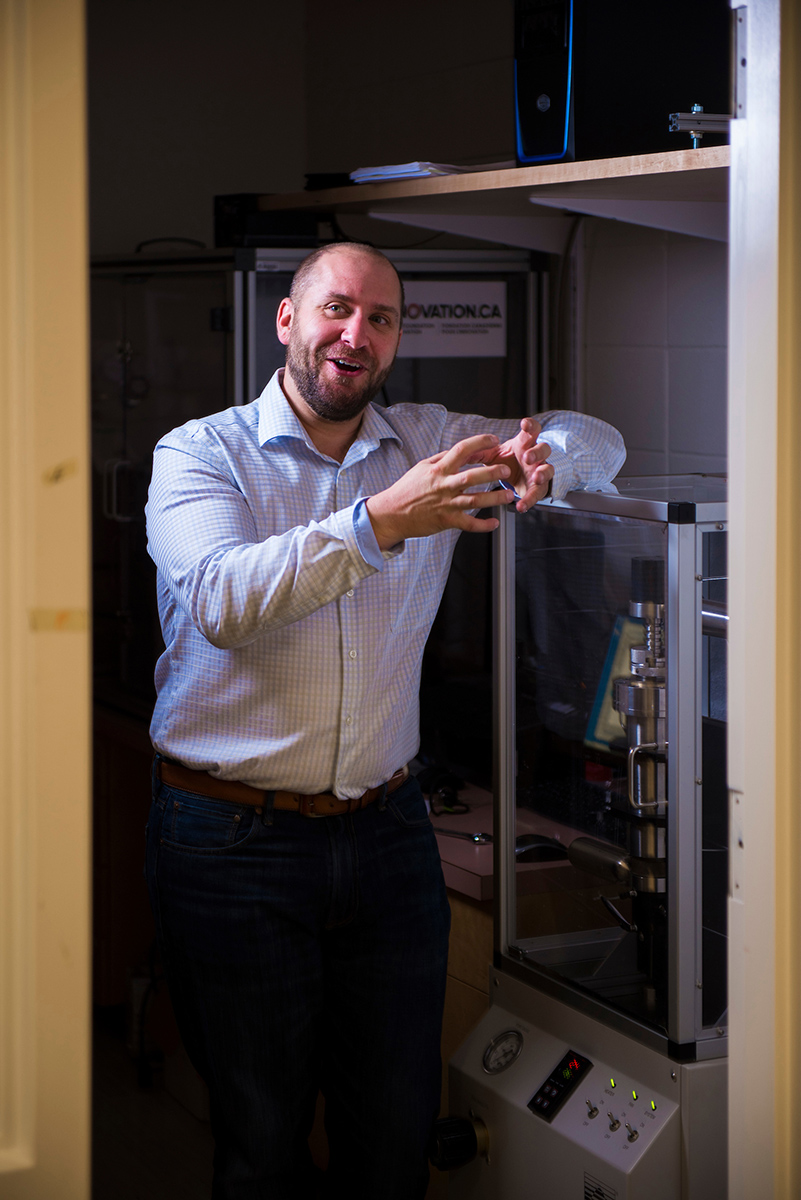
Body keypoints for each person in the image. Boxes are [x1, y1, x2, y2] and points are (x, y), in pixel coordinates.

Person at [144, 242, 625, 1200]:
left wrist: (546, 460)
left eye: (380, 318)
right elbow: (220, 602)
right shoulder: (199, 453)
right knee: (263, 1139)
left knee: (393, 1130)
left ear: (397, 338)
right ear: (287, 319)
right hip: (229, 841)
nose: (352, 335)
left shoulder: (431, 437)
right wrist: (382, 522)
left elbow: (596, 437)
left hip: (388, 836)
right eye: (335, 309)